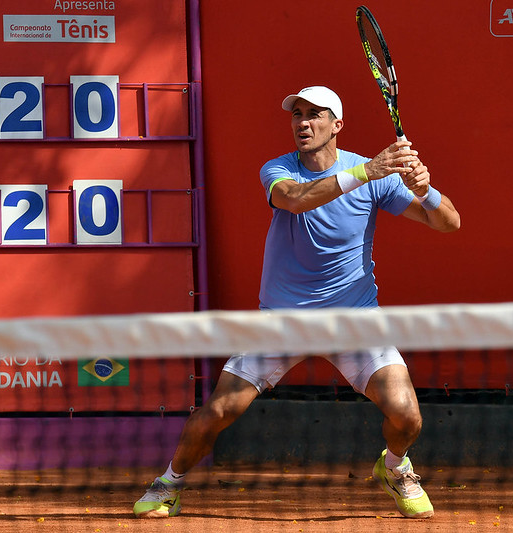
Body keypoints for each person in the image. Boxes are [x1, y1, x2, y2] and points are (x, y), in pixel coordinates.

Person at [134, 85, 460, 520]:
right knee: (218, 411)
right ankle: (167, 484)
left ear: (336, 125)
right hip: (282, 320)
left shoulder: (375, 179)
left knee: (407, 416)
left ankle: (396, 466)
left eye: (315, 115)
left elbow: (449, 223)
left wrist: (427, 188)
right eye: (297, 115)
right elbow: (294, 200)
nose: (302, 123)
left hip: (355, 320)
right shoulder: (280, 170)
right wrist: (368, 172)